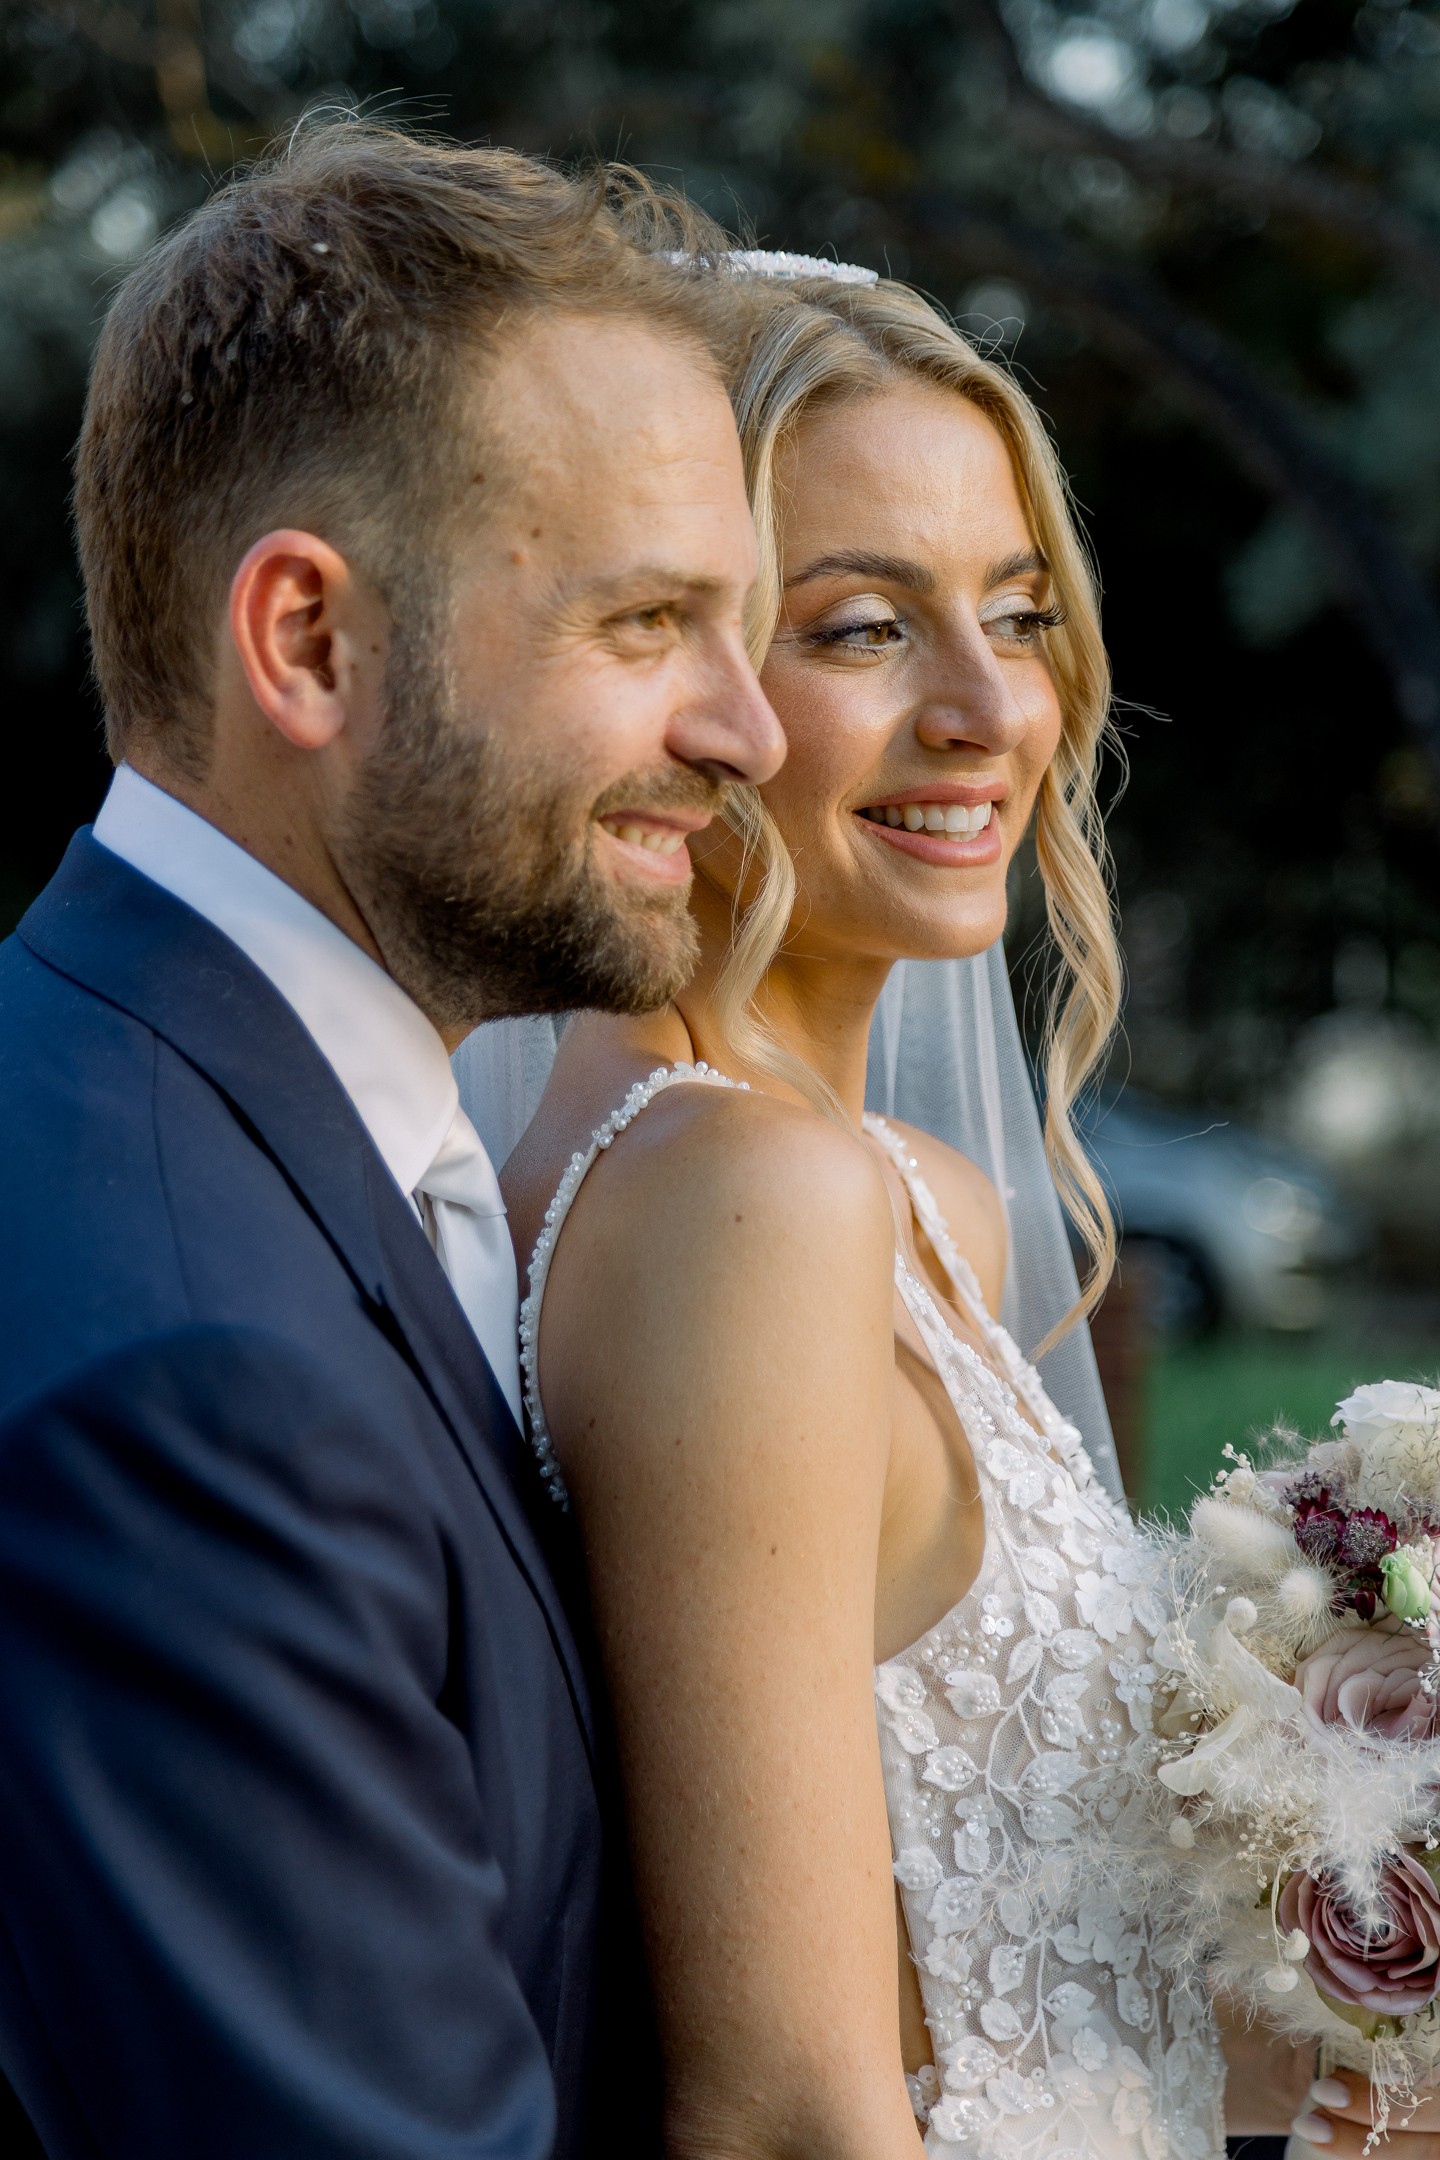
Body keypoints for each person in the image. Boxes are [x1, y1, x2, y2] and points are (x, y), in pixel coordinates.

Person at [495, 258, 1358, 2160]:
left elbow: (1040, 1974)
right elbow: (789, 2107)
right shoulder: (746, 1205)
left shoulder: (912, 1197)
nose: (988, 708)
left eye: (1021, 613)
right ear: (685, 677)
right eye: (867, 628)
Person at [0, 123, 782, 2158]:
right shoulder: (192, 1368)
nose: (749, 730)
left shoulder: (219, 1119)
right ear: (308, 643)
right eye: (648, 624)